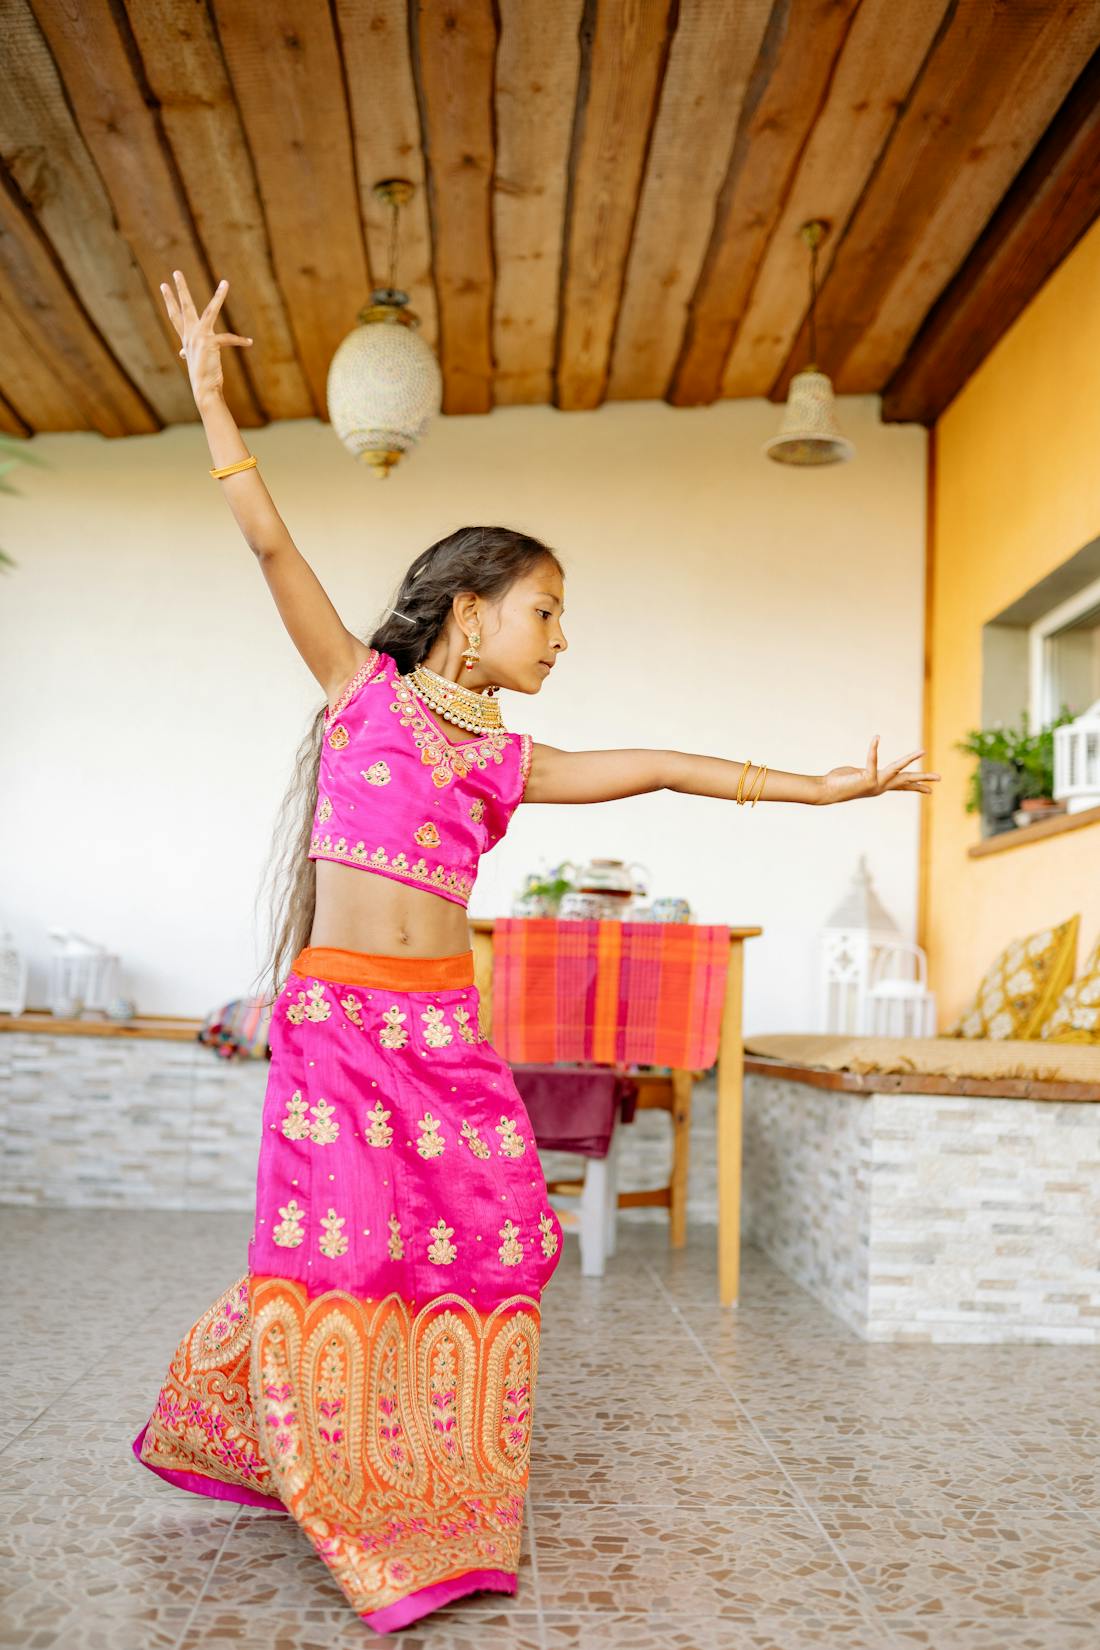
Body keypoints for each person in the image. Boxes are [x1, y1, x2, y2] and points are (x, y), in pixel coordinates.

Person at [131, 272, 941, 1635]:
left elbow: (670, 765)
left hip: (443, 1029)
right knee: (344, 1248)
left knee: (502, 1229)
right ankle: (329, 1466)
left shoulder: (509, 762)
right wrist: (214, 404)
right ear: (469, 608)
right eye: (546, 609)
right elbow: (276, 553)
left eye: (564, 617)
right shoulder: (360, 690)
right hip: (340, 1021)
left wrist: (827, 789)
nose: (562, 636)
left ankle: (431, 1470)